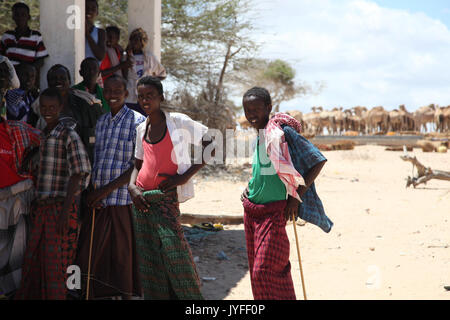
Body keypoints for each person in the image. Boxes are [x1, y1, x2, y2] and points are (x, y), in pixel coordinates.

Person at [240, 87, 330, 300]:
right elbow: (263, 171)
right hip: (252, 210)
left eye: (256, 109)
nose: (251, 115)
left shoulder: (282, 133)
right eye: (247, 110)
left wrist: (295, 197)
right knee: (256, 274)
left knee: (265, 270)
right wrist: (249, 188)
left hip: (274, 211)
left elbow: (318, 160)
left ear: (269, 108)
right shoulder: (261, 135)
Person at [128, 76, 212, 300]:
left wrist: (183, 177)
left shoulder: (178, 122)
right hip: (142, 201)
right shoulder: (140, 129)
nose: (145, 100)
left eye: (150, 96)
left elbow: (211, 142)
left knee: (175, 254)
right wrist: (131, 187)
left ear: (161, 97)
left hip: (165, 199)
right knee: (151, 257)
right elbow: (138, 164)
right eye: (141, 96)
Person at [15, 88, 91, 300]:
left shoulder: (68, 135)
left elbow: (79, 174)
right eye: (44, 107)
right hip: (42, 208)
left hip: (61, 208)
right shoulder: (41, 136)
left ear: (60, 108)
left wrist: (66, 212)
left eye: (52, 108)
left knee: (56, 266)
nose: (47, 111)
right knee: (35, 261)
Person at [75, 75, 145, 300]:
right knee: (91, 252)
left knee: (122, 255)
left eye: (118, 90)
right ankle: (90, 293)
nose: (113, 95)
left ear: (126, 93)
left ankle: (126, 295)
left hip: (121, 199)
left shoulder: (138, 121)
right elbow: (98, 158)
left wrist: (104, 190)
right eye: (109, 91)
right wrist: (93, 190)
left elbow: (137, 165)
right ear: (103, 94)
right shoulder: (102, 121)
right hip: (98, 198)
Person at [0, 57, 40, 299]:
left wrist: (33, 155)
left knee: (14, 256)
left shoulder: (16, 130)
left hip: (14, 196)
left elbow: (48, 139)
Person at [32, 64, 105, 164]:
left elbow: (101, 136)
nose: (58, 81)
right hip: (53, 163)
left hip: (82, 162)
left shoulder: (86, 104)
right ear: (48, 83)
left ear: (69, 81)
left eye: (62, 78)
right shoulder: (37, 108)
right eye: (54, 79)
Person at [0, 2, 49, 85]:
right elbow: (1, 57)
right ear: (13, 17)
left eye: (23, 14)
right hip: (9, 79)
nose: (20, 17)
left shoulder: (35, 36)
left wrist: (28, 71)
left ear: (28, 17)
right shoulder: (7, 36)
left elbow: (41, 60)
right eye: (17, 15)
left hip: (26, 79)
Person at [125, 28, 166, 115]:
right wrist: (127, 57)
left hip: (145, 98)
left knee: (145, 121)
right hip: (130, 96)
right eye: (133, 39)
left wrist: (150, 81)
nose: (135, 42)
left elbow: (162, 74)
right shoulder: (125, 57)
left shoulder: (149, 57)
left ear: (142, 42)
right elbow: (122, 76)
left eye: (138, 40)